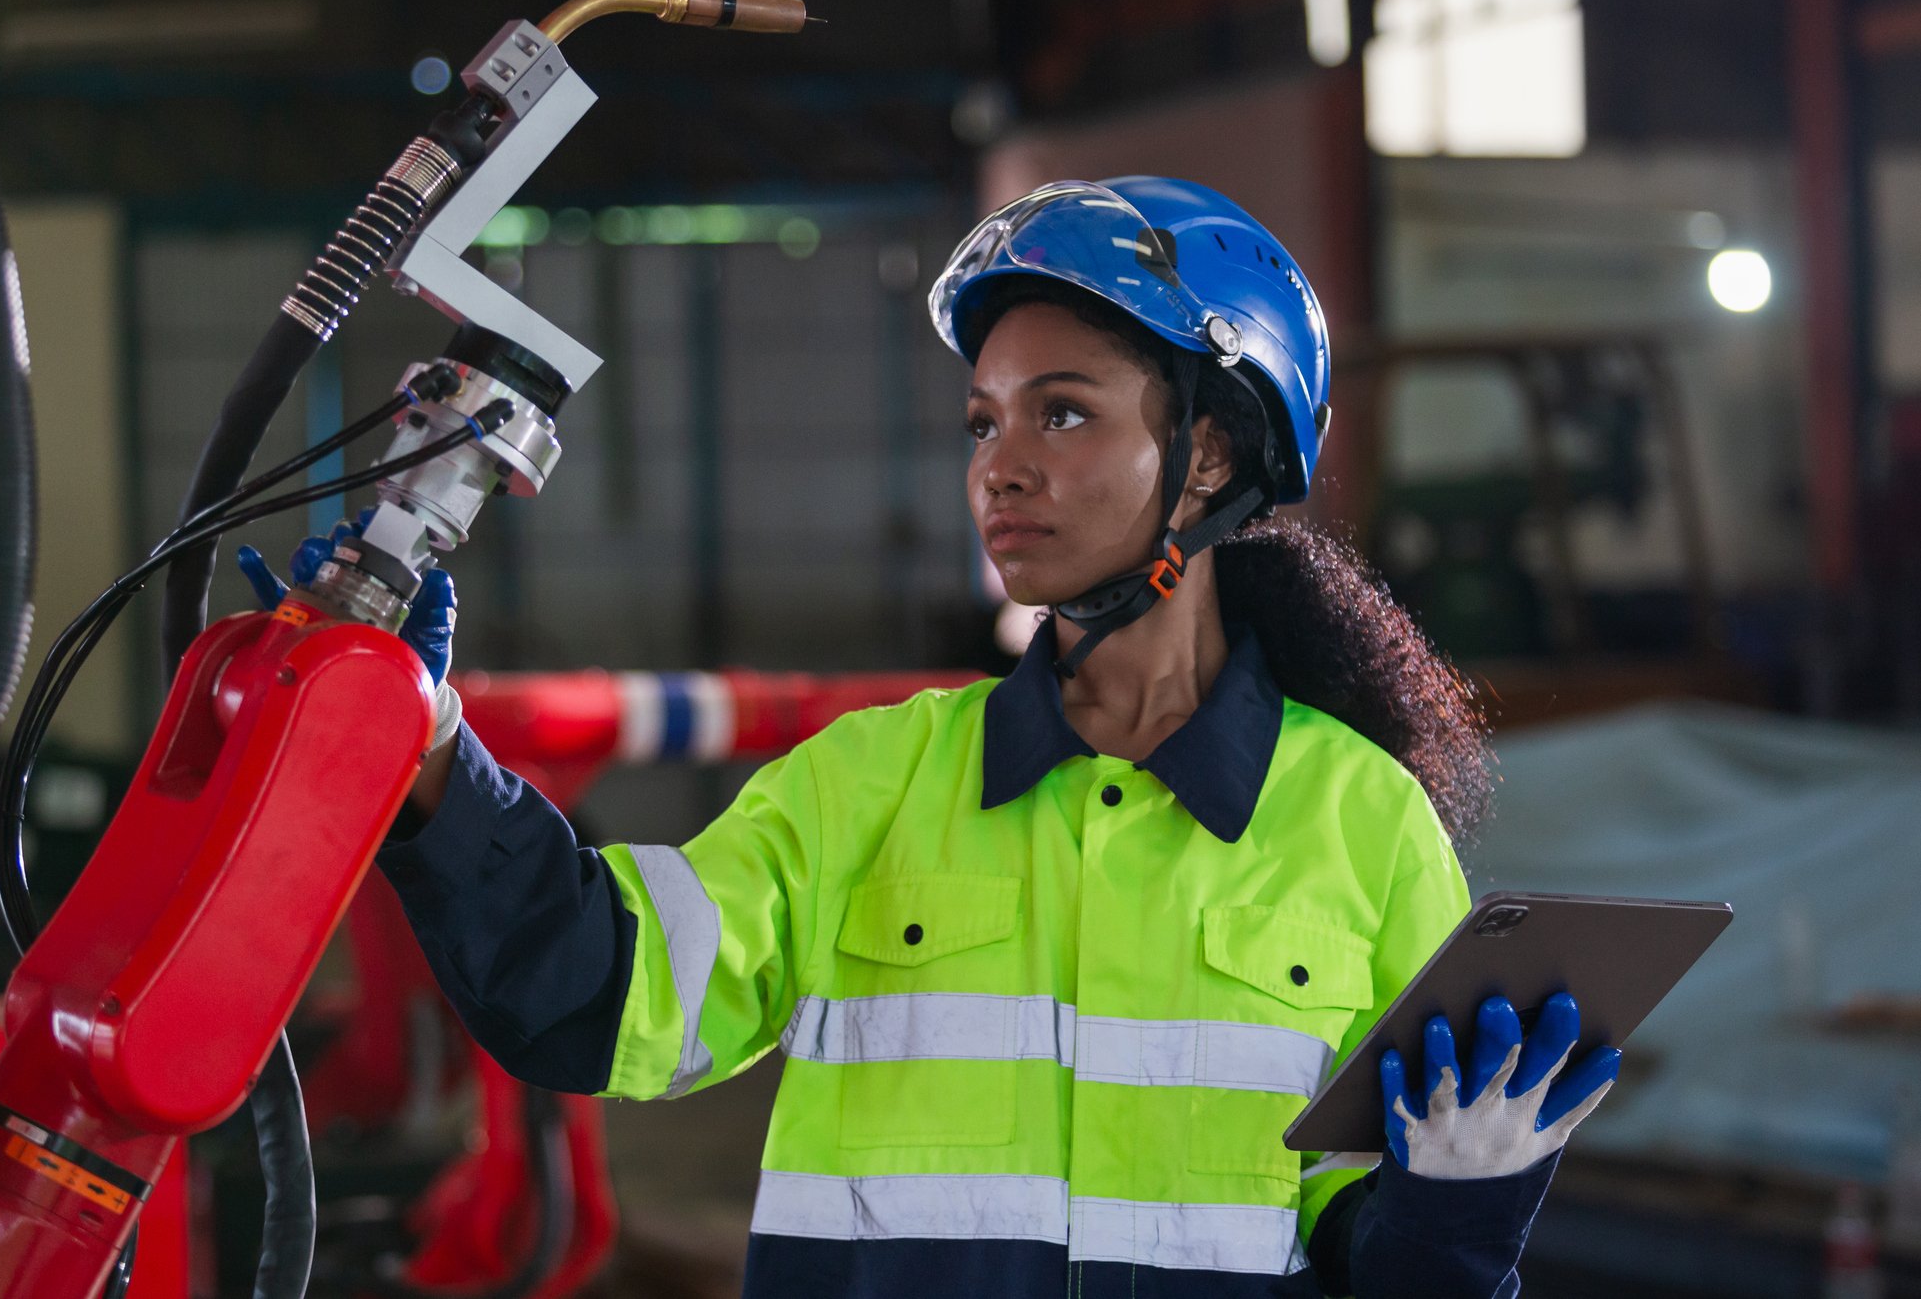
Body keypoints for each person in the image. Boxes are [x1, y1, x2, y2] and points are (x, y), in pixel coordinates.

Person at [242, 176, 1621, 1298]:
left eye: (1062, 412)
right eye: (983, 420)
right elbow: (597, 990)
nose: (996, 464)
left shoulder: (1360, 822)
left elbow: (1350, 1250)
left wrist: (1455, 1221)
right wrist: (422, 748)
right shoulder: (871, 781)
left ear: (1206, 455)